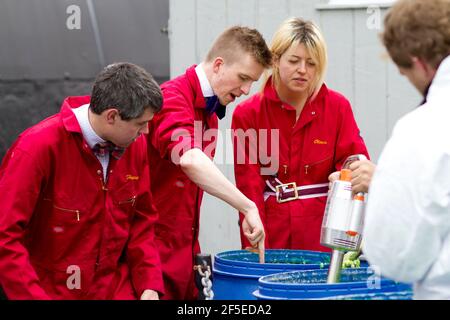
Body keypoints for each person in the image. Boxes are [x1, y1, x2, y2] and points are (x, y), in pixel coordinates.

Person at [0, 62, 164, 300]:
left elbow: (142, 220)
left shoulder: (134, 146)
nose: (146, 132)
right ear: (112, 116)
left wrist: (149, 283)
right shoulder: (37, 148)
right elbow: (5, 236)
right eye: (140, 124)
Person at [147, 26, 272, 300]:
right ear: (218, 65)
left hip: (184, 258)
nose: (247, 90)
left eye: (253, 82)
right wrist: (247, 205)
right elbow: (190, 159)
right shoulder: (172, 98)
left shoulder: (211, 116)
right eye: (243, 78)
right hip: (151, 260)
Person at [232, 18, 369, 251]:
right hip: (272, 235)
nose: (303, 70)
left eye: (312, 64)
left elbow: (355, 163)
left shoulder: (337, 107)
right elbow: (249, 187)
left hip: (324, 237)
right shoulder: (248, 114)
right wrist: (253, 247)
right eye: (294, 61)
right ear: (275, 59)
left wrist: (348, 174)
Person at [362, 0, 450, 299]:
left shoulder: (423, 129)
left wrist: (382, 183)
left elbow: (394, 254)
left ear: (419, 62)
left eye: (405, 72)